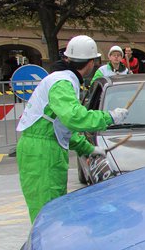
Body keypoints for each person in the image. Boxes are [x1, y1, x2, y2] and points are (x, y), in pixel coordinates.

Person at [16, 35, 129, 222]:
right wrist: (110, 116)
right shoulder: (62, 82)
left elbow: (61, 128)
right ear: (92, 62)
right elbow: (74, 117)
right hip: (41, 152)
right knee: (46, 212)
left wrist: (88, 148)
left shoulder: (64, 80)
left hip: (44, 149)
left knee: (53, 206)